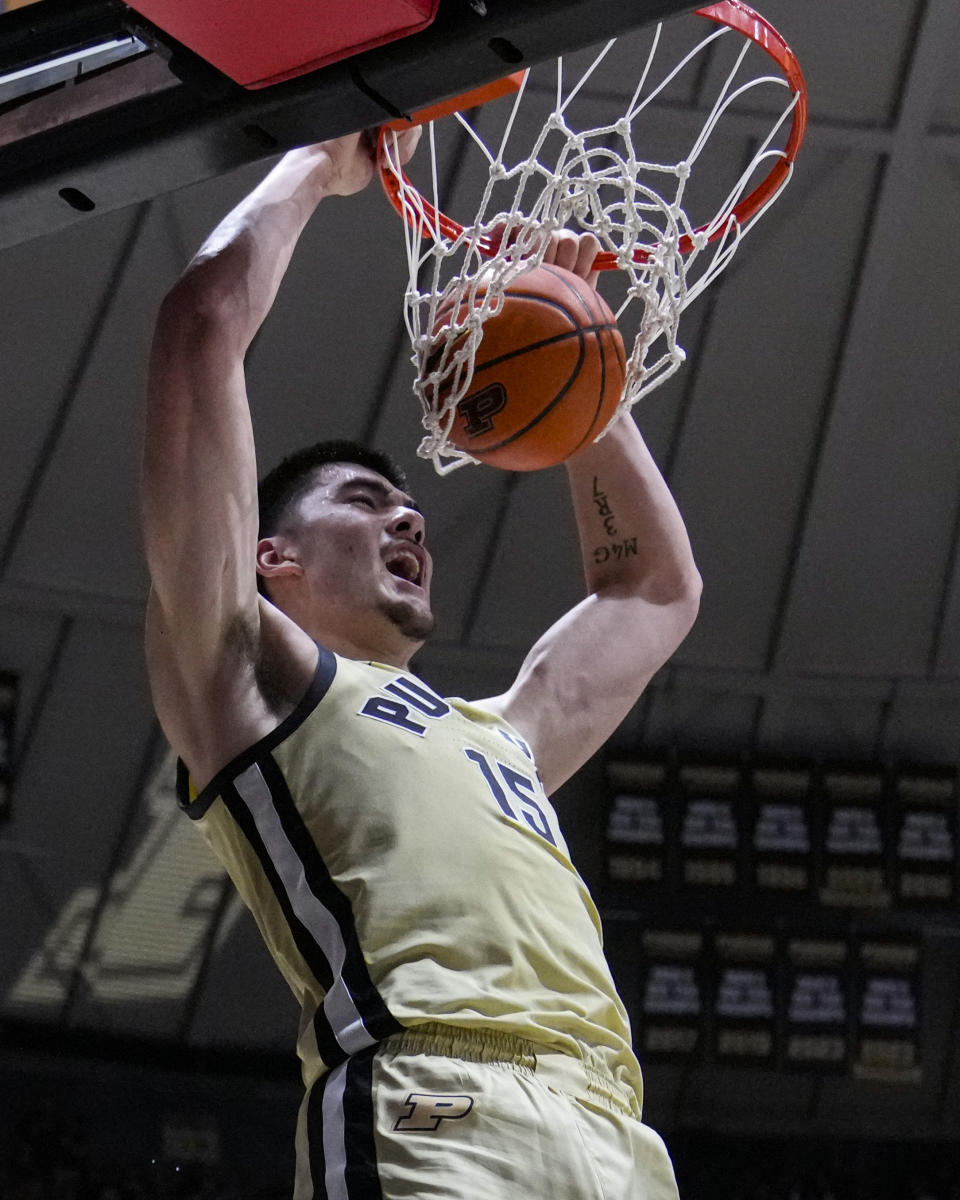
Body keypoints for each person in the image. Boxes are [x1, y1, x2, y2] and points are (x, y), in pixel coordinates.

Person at [141, 128, 701, 1200]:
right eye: (363, 501)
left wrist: (588, 390)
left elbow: (654, 591)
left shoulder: (509, 736)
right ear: (273, 559)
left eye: (408, 504)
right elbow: (198, 332)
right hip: (435, 1104)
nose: (407, 513)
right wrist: (319, 162)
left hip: (617, 1137)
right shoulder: (248, 680)